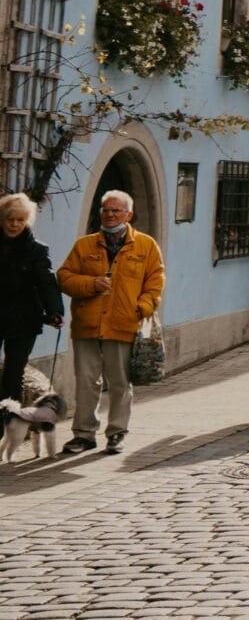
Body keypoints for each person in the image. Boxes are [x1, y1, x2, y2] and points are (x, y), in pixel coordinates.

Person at [56, 190, 164, 453]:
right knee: (86, 381)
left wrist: (142, 308)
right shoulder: (85, 245)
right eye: (105, 210)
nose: (110, 214)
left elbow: (155, 282)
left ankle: (117, 432)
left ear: (129, 214)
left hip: (124, 324)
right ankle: (83, 434)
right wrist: (91, 284)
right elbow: (64, 276)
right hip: (87, 324)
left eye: (116, 210)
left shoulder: (146, 245)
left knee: (119, 382)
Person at [0, 193, 62, 405]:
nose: (15, 225)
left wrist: (55, 311)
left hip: (24, 318)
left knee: (13, 374)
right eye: (10, 219)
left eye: (20, 220)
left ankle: (8, 427)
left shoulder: (36, 250)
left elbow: (46, 283)